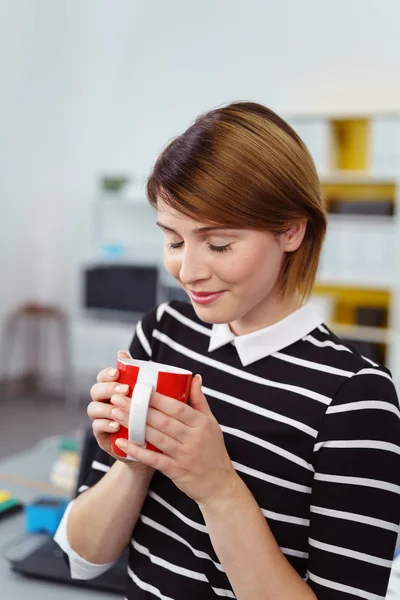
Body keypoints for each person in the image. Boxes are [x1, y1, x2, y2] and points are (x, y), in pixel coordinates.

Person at [55, 102, 400, 599]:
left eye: (218, 245)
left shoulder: (354, 400)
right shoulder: (162, 335)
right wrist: (133, 462)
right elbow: (84, 557)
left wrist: (217, 486)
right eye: (174, 241)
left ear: (291, 230)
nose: (188, 271)